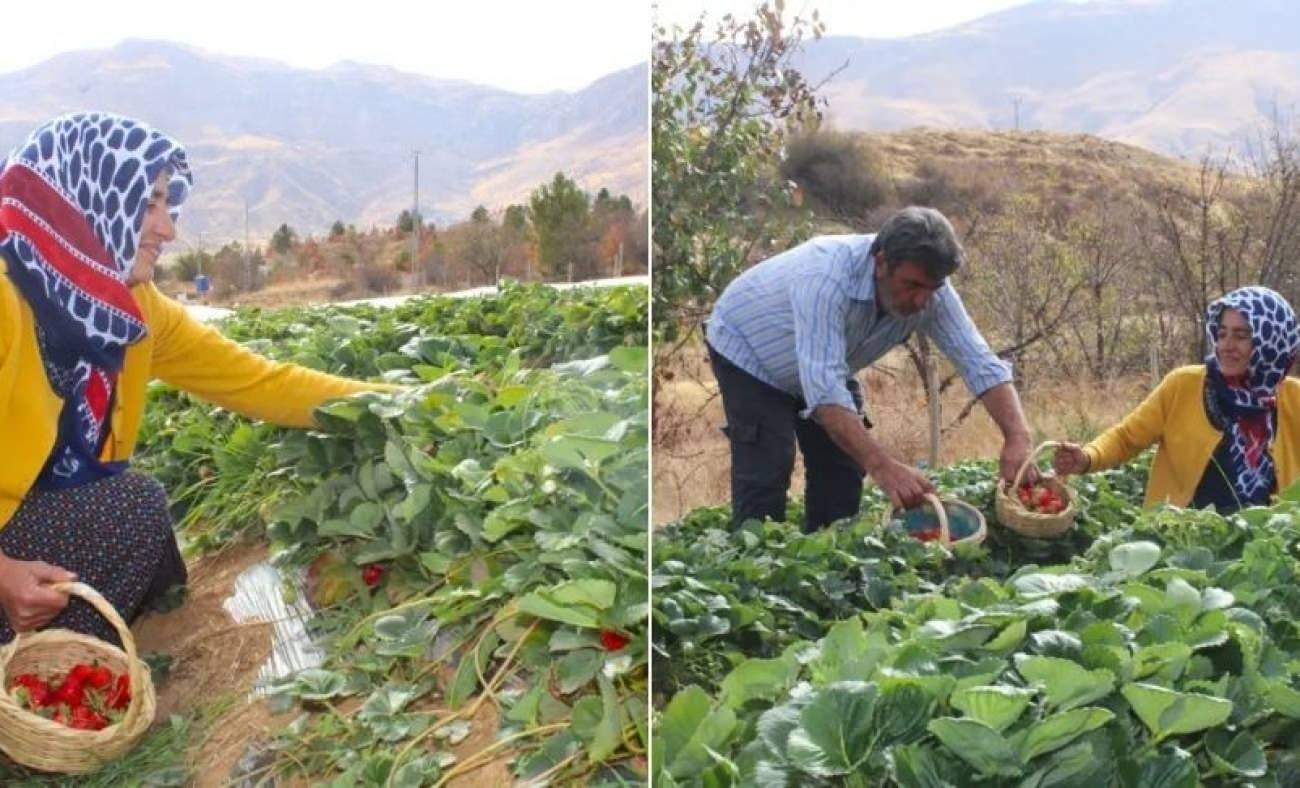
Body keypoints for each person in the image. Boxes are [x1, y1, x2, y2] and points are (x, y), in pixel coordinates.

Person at [0, 112, 395, 645]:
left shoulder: (131, 308)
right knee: (130, 509)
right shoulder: (6, 300)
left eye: (168, 204)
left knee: (157, 557)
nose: (168, 229)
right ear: (80, 197)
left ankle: (62, 660)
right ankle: (33, 672)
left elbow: (260, 382)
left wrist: (403, 403)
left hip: (37, 514)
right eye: (147, 205)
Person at [705, 205, 1034, 531]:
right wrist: (884, 466)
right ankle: (753, 566)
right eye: (913, 285)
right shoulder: (824, 277)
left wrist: (1017, 437)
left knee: (842, 466)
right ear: (881, 263)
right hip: (750, 350)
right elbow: (826, 395)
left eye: (931, 289)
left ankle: (827, 559)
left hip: (822, 361)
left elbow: (978, 361)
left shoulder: (933, 292)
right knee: (769, 462)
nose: (922, 300)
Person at [1054, 286, 1300, 513]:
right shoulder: (1183, 386)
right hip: (1181, 541)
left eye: (1241, 335)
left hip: (1265, 547)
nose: (1226, 345)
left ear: (1272, 342)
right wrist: (1088, 457)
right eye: (1222, 333)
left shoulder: (1293, 398)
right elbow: (1126, 437)